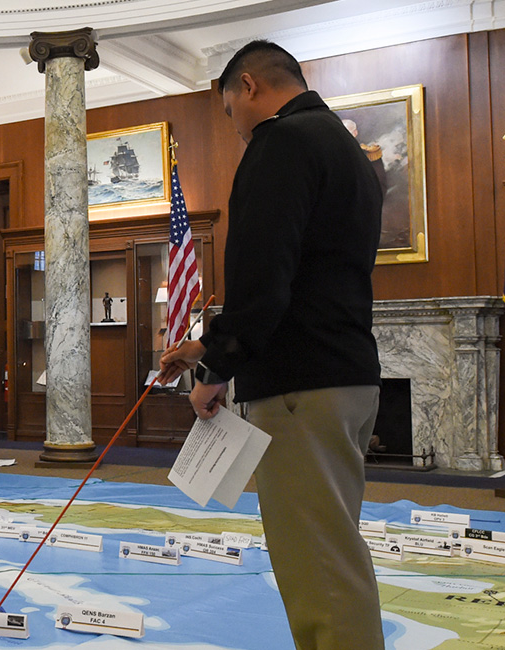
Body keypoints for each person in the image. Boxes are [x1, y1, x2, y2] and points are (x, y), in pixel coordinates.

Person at [159, 40, 385, 650]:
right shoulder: (345, 148)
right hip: (345, 377)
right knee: (332, 548)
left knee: (319, 567)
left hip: (299, 387)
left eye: (229, 110)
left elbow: (263, 280)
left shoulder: (281, 142)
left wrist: (215, 368)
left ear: (249, 86)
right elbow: (308, 277)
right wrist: (201, 342)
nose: (234, 127)